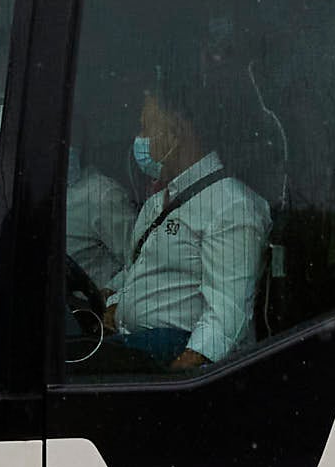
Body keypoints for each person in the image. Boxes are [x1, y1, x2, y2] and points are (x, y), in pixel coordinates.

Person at [64, 67, 273, 372]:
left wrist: (176, 379)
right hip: (134, 339)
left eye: (147, 128)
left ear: (177, 131)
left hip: (169, 350)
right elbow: (140, 270)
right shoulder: (156, 204)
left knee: (72, 372)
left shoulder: (231, 208)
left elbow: (227, 314)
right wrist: (112, 301)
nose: (140, 140)